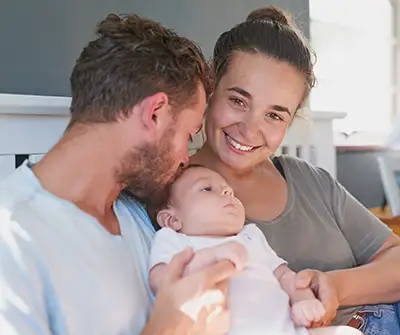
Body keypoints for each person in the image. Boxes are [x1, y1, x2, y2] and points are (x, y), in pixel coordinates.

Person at [0, 13, 236, 335]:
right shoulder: (12, 237)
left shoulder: (140, 215)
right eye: (188, 136)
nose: (185, 158)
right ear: (154, 114)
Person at [191, 5, 400, 334]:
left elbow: (395, 257)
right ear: (210, 85)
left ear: (291, 120)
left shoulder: (307, 179)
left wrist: (335, 287)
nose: (249, 129)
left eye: (274, 115)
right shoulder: (173, 196)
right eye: (238, 101)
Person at [147, 164, 362, 335]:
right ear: (171, 219)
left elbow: (285, 276)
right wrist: (211, 258)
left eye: (228, 191)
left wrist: (302, 299)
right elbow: (160, 281)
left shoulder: (251, 235)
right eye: (207, 189)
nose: (226, 191)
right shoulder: (173, 239)